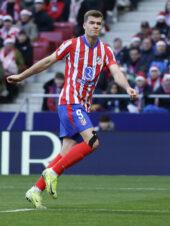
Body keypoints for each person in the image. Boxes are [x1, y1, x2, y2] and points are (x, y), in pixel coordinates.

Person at [7, 10, 137, 209]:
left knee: (66, 151)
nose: (95, 26)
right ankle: (52, 172)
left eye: (99, 23)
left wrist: (127, 87)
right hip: (70, 102)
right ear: (84, 25)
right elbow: (48, 61)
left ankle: (35, 190)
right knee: (93, 141)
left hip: (82, 106)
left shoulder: (105, 51)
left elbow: (116, 71)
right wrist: (22, 76)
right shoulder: (72, 44)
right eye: (92, 23)